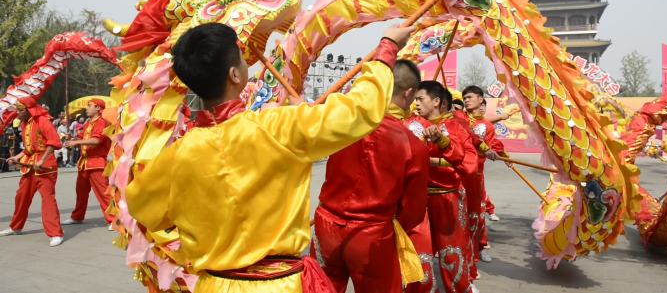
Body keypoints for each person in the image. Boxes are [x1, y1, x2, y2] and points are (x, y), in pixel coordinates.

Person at [125, 22, 415, 293]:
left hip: (214, 284)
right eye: (240, 57)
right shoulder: (277, 127)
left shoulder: (177, 156)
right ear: (234, 75)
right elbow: (360, 110)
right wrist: (387, 48)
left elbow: (143, 208)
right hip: (279, 284)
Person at [311, 60, 429, 293]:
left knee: (322, 287)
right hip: (371, 233)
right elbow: (413, 212)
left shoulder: (343, 123)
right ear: (408, 93)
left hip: (326, 224)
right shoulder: (413, 144)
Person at [405, 80, 479, 293]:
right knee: (418, 257)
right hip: (416, 201)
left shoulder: (456, 127)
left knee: (451, 254)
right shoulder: (410, 125)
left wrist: (442, 147)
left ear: (436, 101)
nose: (416, 104)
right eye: (414, 99)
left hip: (447, 198)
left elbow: (469, 165)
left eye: (421, 99)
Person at [0, 98, 64, 246]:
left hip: (44, 167)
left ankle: (55, 233)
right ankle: (15, 227)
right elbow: (29, 149)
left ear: (29, 110)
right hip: (29, 166)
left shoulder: (43, 121)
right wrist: (16, 157)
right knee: (21, 197)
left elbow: (54, 142)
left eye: (20, 110)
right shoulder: (25, 124)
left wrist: (42, 160)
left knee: (48, 199)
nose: (17, 113)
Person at [461, 85, 506, 265]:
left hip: (476, 176)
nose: (466, 100)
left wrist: (494, 152)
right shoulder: (458, 119)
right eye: (464, 98)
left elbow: (494, 145)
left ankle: (481, 246)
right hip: (456, 175)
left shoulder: (486, 126)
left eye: (470, 97)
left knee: (478, 213)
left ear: (481, 100)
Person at [63, 99, 114, 227]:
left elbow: (96, 141)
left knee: (103, 193)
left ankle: (113, 220)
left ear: (98, 108)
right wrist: (72, 138)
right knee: (81, 192)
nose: (87, 108)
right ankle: (77, 216)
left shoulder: (103, 122)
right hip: (84, 163)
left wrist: (76, 142)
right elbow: (82, 138)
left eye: (89, 106)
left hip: (97, 162)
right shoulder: (88, 123)